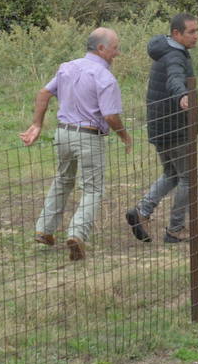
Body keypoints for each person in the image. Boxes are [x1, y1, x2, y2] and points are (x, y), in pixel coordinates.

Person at [20, 28, 132, 261]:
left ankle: (44, 229)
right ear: (101, 49)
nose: (117, 53)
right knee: (92, 188)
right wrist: (125, 136)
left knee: (63, 180)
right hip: (89, 137)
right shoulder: (104, 77)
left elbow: (43, 93)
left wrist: (37, 125)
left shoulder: (67, 67)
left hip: (63, 134)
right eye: (115, 48)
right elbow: (110, 116)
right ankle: (77, 233)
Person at [127, 15, 198, 245]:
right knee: (189, 178)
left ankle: (142, 211)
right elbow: (175, 79)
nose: (196, 36)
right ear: (176, 34)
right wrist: (183, 96)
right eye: (191, 32)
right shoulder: (175, 56)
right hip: (175, 128)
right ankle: (176, 229)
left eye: (197, 31)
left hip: (159, 126)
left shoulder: (164, 49)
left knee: (172, 174)